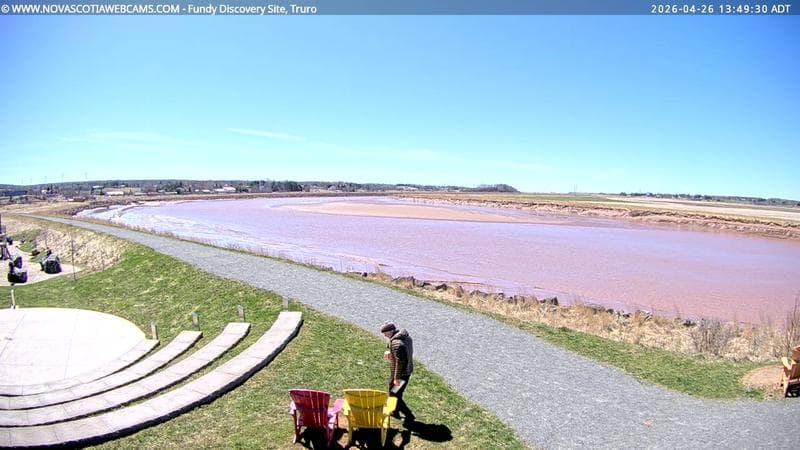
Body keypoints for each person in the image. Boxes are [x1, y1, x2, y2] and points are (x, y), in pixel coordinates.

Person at [380, 321, 415, 425]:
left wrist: (396, 378)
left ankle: (409, 415)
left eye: (385, 333)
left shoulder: (396, 343)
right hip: (407, 371)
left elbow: (400, 362)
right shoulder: (406, 337)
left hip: (401, 374)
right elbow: (403, 355)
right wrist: (391, 355)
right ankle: (395, 412)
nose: (384, 335)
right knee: (396, 393)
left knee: (394, 394)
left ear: (390, 331)